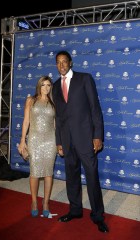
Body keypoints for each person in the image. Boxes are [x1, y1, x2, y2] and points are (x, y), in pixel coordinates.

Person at [52, 51, 109, 232]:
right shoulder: (54, 86)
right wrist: (59, 141)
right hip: (67, 141)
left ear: (71, 63)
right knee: (72, 178)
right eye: (58, 62)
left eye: (64, 62)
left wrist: (97, 135)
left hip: (86, 139)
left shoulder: (84, 79)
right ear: (56, 65)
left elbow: (95, 109)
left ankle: (98, 216)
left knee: (92, 178)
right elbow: (59, 117)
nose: (61, 65)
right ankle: (75, 210)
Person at [18, 76, 57, 218]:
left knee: (48, 173)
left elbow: (55, 125)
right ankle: (34, 202)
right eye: (43, 85)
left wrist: (59, 143)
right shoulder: (31, 100)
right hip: (34, 140)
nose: (46, 88)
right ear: (38, 86)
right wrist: (23, 141)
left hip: (50, 140)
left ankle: (45, 202)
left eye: (48, 85)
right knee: (34, 172)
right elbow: (26, 121)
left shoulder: (53, 103)